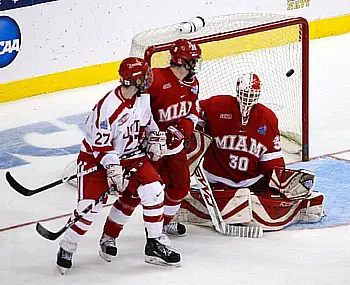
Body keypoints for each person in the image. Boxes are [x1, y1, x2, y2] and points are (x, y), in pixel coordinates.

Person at [56, 57, 180, 274]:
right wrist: (113, 170)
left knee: (154, 190)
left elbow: (148, 123)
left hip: (131, 155)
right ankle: (67, 246)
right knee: (88, 210)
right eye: (143, 76)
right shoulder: (107, 107)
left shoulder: (142, 99)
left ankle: (153, 243)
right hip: (96, 157)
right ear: (133, 80)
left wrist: (155, 138)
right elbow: (100, 145)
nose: (147, 79)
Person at [176, 72, 325, 231]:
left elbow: (271, 161)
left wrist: (280, 180)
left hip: (253, 183)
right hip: (216, 181)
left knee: (251, 200)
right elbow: (191, 111)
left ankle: (299, 208)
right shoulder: (217, 106)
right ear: (237, 90)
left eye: (252, 94)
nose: (248, 98)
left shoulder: (267, 118)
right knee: (241, 201)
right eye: (245, 93)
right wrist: (190, 128)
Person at [99, 39, 202, 239]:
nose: (195, 64)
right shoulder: (156, 79)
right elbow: (135, 109)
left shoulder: (192, 83)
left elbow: (194, 110)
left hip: (174, 148)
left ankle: (163, 225)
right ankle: (109, 235)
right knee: (134, 193)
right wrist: (147, 136)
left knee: (181, 188)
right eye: (193, 60)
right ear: (182, 61)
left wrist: (181, 131)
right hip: (148, 150)